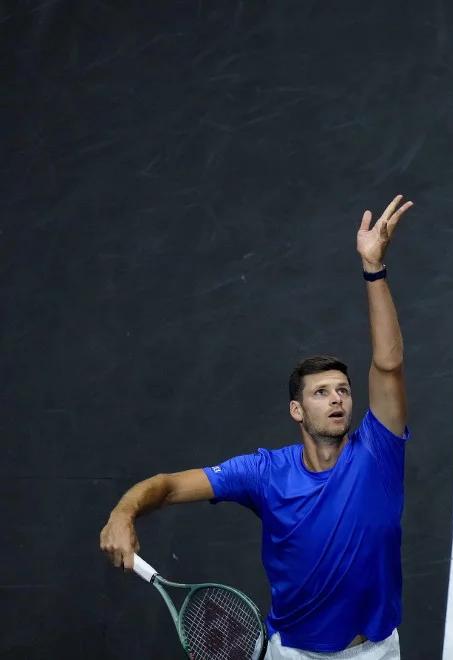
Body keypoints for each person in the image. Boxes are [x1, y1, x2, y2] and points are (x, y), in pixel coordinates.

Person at [99, 194, 416, 659]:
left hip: (377, 652)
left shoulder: (379, 453)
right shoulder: (264, 474)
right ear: (296, 410)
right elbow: (166, 486)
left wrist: (374, 269)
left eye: (344, 390)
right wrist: (123, 513)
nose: (337, 399)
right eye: (321, 392)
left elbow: (388, 365)